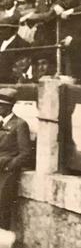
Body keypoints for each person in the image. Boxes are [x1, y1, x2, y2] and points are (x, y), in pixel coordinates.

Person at [0, 88, 32, 229]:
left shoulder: (19, 124)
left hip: (7, 174)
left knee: (3, 210)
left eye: (2, 105)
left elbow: (25, 153)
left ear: (9, 106)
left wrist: (9, 166)